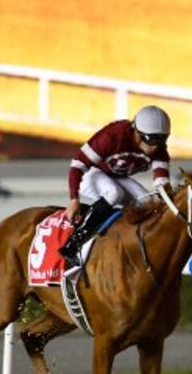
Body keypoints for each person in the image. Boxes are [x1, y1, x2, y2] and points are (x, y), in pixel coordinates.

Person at [57, 105, 173, 268]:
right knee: (114, 193)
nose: (156, 147)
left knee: (151, 202)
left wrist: (168, 196)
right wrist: (74, 199)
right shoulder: (113, 136)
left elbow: (161, 183)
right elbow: (78, 165)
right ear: (137, 133)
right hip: (90, 174)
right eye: (151, 140)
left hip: (116, 177)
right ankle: (73, 244)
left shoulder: (159, 148)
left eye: (162, 140)